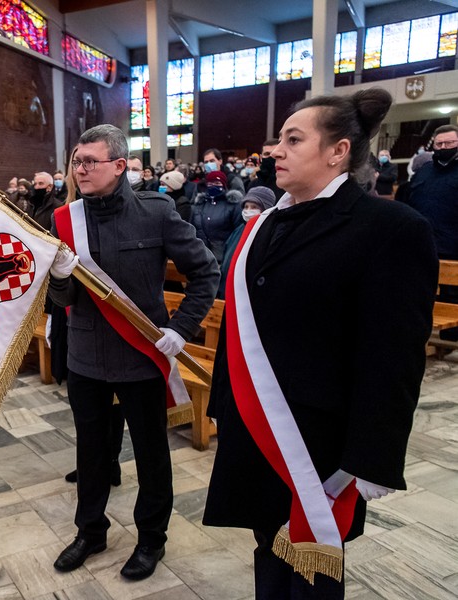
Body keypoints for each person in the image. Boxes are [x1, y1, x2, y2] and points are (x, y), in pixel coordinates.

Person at [203, 88, 438, 599]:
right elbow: (240, 328)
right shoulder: (263, 224)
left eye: (293, 139)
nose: (275, 151)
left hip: (320, 440)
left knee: (313, 572)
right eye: (278, 141)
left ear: (338, 151)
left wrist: (371, 455)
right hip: (258, 424)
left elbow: (394, 356)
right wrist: (225, 404)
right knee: (268, 546)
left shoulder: (390, 228)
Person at [48, 124, 219, 581]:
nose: (80, 169)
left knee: (149, 453)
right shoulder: (65, 220)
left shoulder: (156, 212)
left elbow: (205, 273)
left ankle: (151, 539)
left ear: (120, 166)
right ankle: (91, 531)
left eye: (90, 161)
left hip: (140, 354)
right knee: (91, 451)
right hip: (85, 356)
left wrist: (181, 329)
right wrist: (62, 278)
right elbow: (61, 302)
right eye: (76, 161)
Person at [402, 124, 458, 342]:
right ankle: (423, 332)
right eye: (439, 144)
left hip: (453, 243)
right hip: (424, 243)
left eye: (450, 143)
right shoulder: (424, 172)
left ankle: (450, 339)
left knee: (452, 295)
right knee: (421, 290)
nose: (444, 147)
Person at [217, 186, 275, 299]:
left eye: (254, 207)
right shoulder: (239, 230)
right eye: (246, 207)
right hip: (227, 290)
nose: (248, 211)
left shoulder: (268, 234)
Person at [189, 170, 244, 266]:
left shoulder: (232, 205)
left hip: (223, 257)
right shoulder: (199, 204)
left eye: (217, 183)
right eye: (210, 183)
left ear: (223, 185)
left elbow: (238, 232)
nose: (213, 185)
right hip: (200, 256)